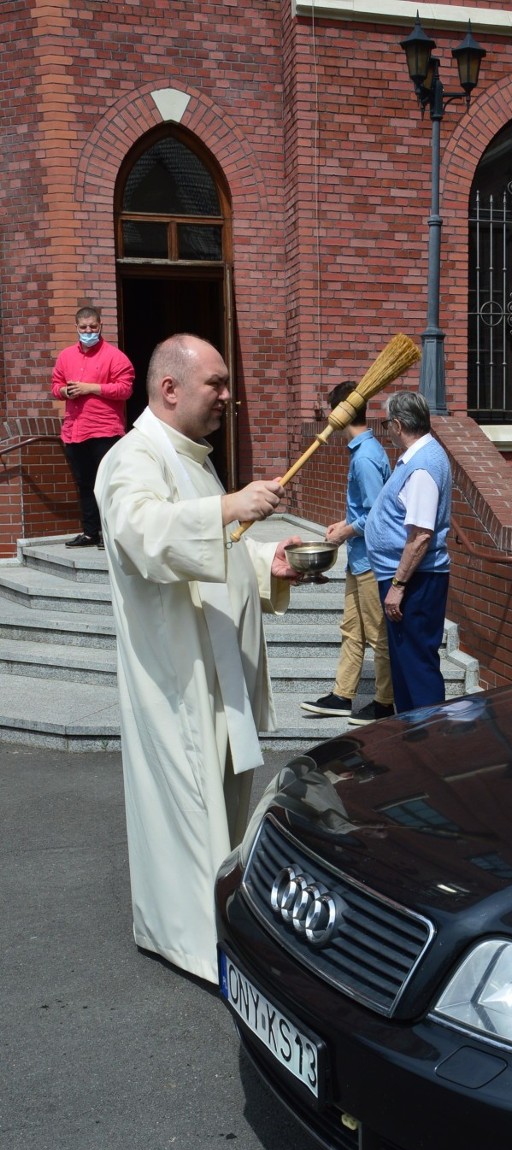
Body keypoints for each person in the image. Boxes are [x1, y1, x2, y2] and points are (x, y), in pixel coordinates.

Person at [94, 334, 302, 985]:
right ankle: (192, 943)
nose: (226, 394)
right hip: (176, 676)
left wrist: (269, 562)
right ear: (169, 389)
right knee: (189, 811)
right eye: (214, 383)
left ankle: (227, 922)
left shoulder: (193, 459)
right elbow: (144, 535)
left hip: (216, 670)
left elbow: (217, 549)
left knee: (227, 805)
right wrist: (226, 506)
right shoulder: (132, 458)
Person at [300, 380, 394, 726]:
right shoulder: (365, 451)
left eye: (330, 411)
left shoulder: (366, 458)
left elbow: (376, 516)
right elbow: (369, 508)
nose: (327, 419)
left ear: (341, 412)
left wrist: (345, 532)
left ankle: (386, 703)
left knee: (377, 635)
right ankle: (342, 696)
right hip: (360, 558)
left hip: (371, 560)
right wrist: (343, 523)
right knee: (352, 630)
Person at [364, 390, 452, 714]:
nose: (388, 429)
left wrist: (398, 586)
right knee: (407, 666)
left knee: (415, 667)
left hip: (414, 580)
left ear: (398, 424)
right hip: (409, 577)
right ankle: (413, 739)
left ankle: (429, 743)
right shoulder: (421, 458)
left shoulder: (423, 465)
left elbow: (420, 535)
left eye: (388, 424)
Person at [51, 304, 134, 549]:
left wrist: (91, 388)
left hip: (105, 430)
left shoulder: (114, 356)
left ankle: (111, 534)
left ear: (100, 327)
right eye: (84, 327)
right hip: (75, 430)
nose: (88, 331)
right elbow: (55, 386)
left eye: (93, 327)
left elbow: (125, 389)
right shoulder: (66, 356)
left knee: (109, 484)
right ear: (76, 328)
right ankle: (90, 533)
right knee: (85, 483)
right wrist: (66, 390)